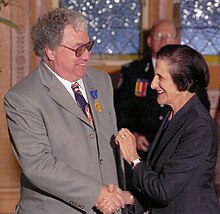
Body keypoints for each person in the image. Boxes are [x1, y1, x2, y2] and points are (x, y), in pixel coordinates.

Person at [4, 8, 133, 214]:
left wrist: (118, 199)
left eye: (88, 46)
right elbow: (39, 165)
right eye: (78, 49)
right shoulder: (22, 98)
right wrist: (97, 194)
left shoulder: (102, 82)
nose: (87, 56)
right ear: (50, 51)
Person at [115, 44, 220, 213]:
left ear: (184, 82)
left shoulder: (199, 125)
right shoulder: (172, 116)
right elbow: (158, 182)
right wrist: (125, 198)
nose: (153, 84)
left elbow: (164, 191)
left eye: (160, 77)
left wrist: (133, 158)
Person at [114, 20, 210, 159]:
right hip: (141, 149)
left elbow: (201, 106)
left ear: (177, 40)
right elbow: (120, 109)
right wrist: (133, 134)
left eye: (169, 35)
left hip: (177, 146)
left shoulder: (189, 71)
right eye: (158, 35)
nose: (164, 39)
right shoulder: (133, 71)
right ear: (149, 41)